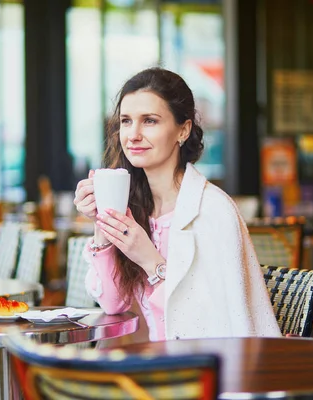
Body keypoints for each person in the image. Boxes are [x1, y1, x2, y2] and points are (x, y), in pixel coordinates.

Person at [73, 67, 281, 341]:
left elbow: (216, 325)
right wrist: (104, 224)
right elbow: (114, 305)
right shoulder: (136, 206)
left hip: (199, 373)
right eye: (125, 121)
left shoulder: (212, 211)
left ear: (183, 130)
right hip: (146, 366)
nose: (133, 135)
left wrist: (150, 261)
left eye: (149, 121)